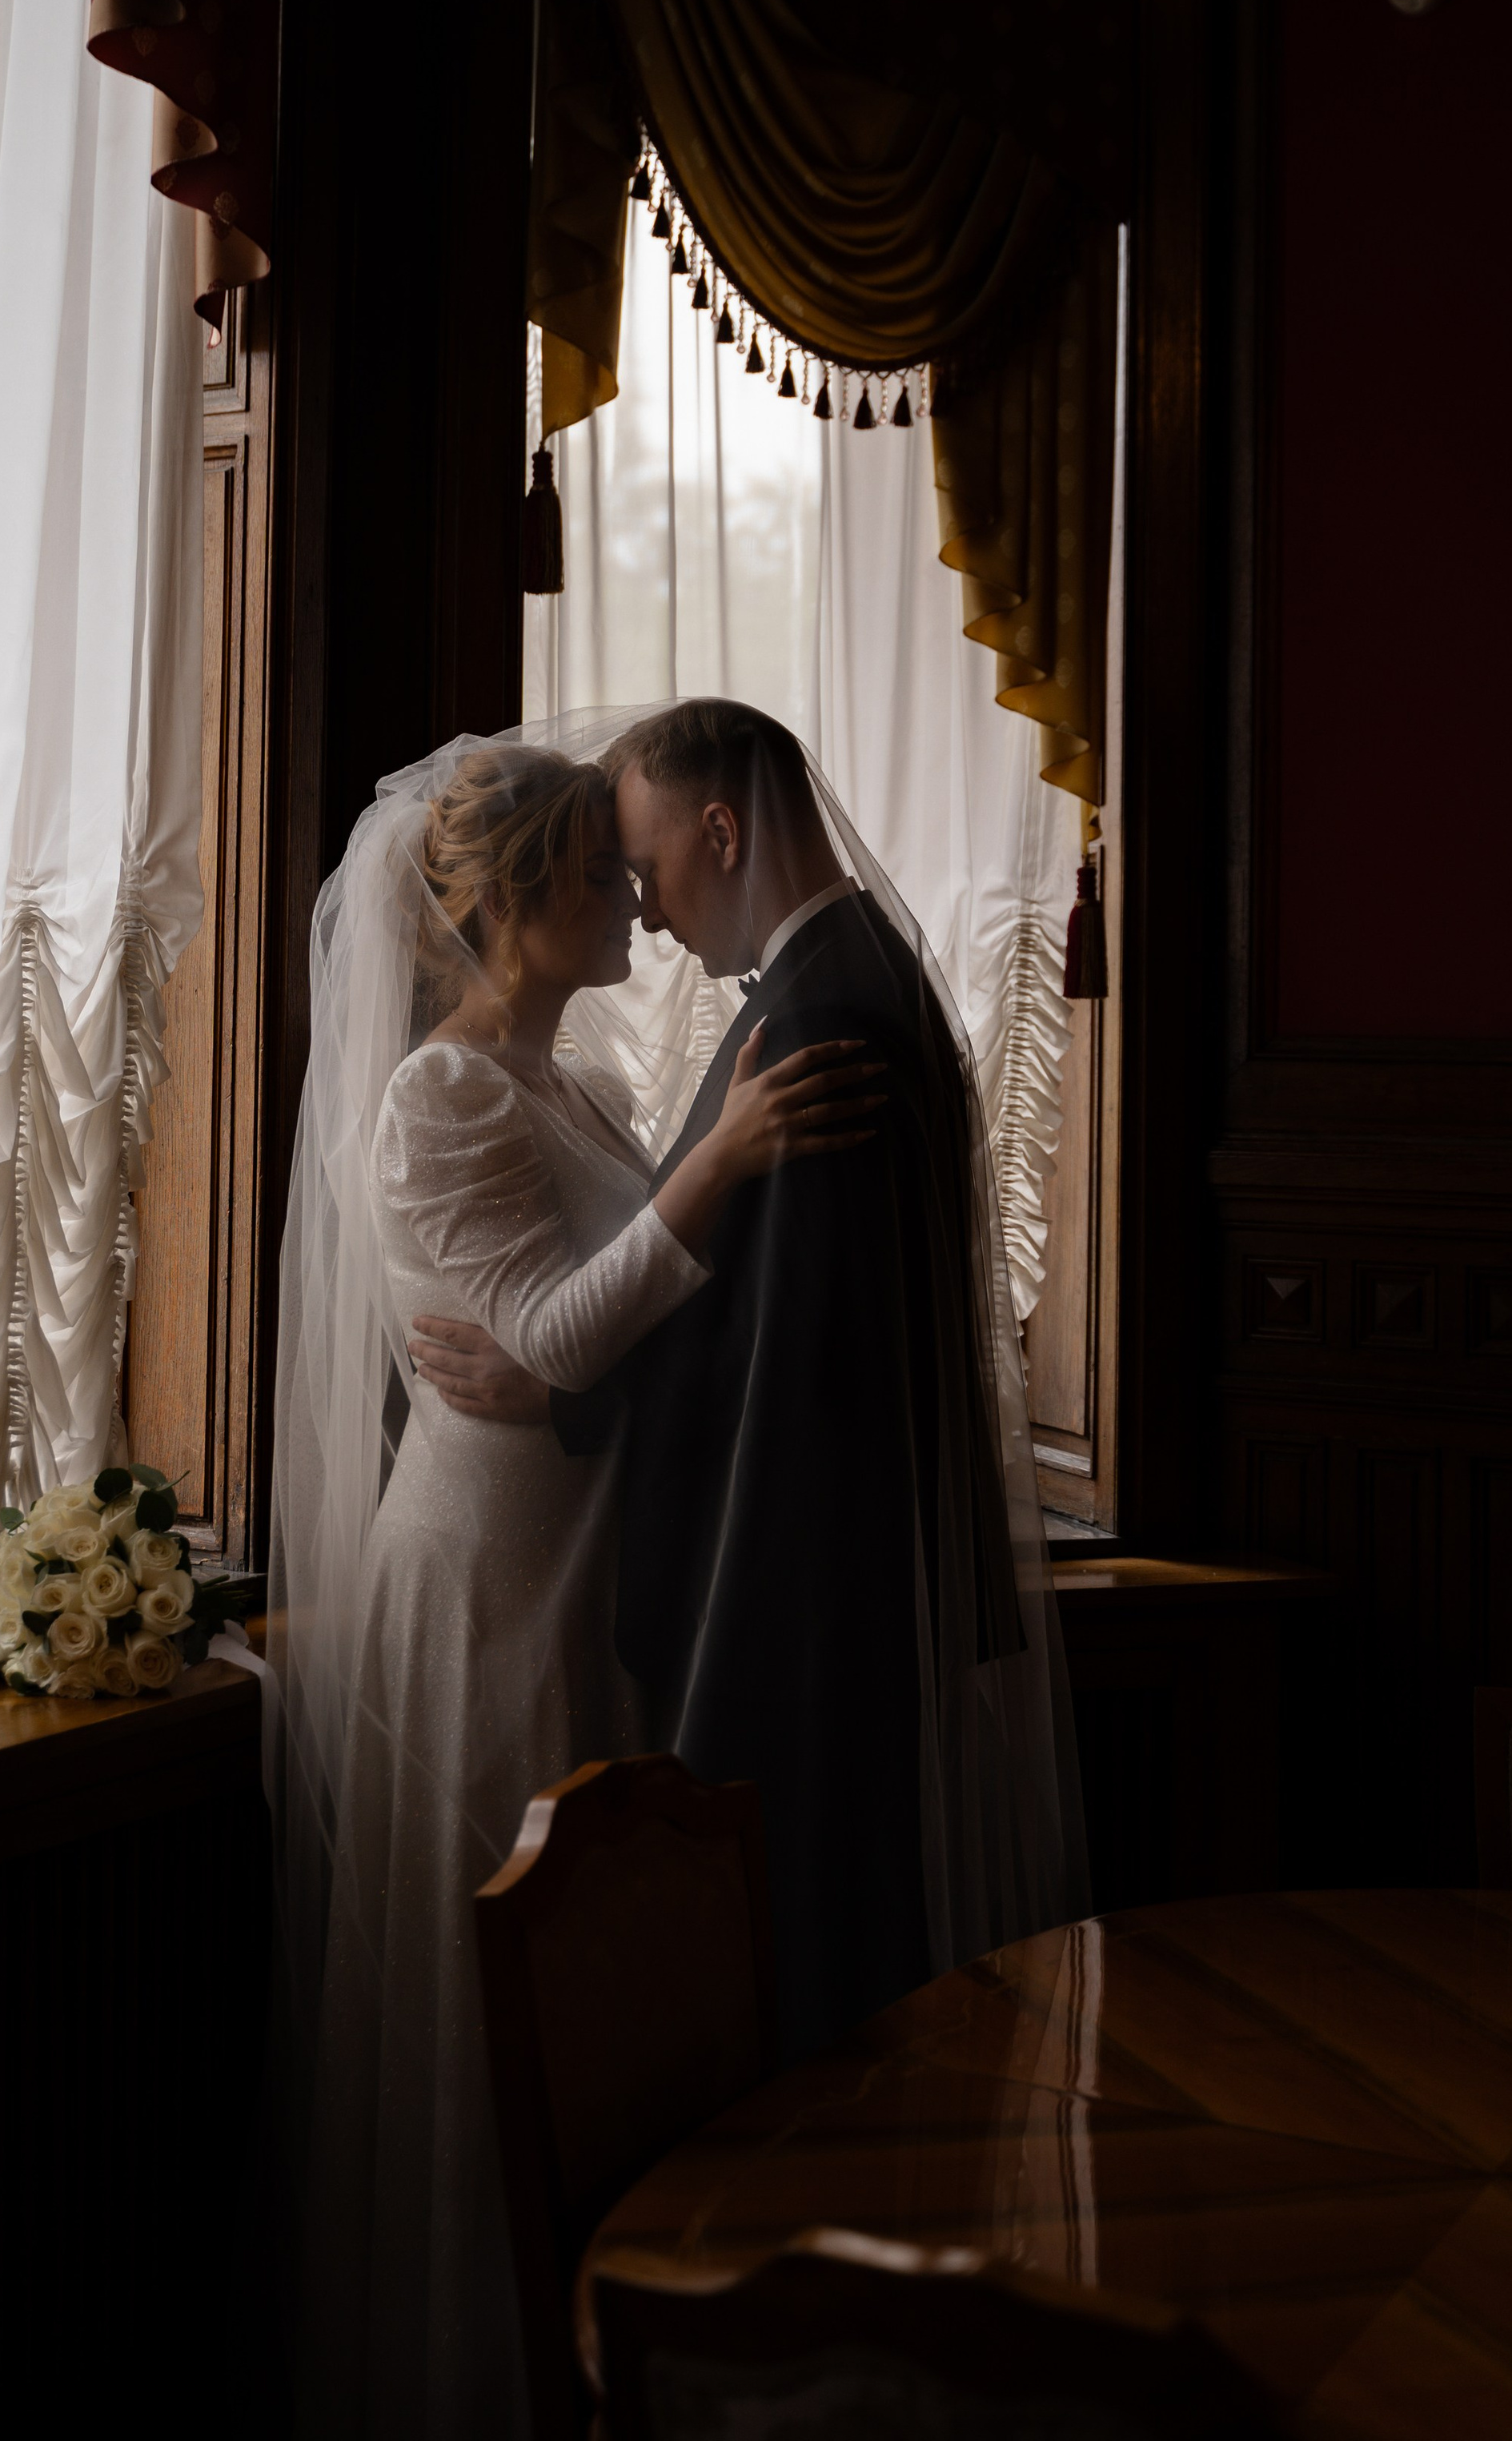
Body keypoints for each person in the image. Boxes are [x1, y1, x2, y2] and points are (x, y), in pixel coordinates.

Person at [267, 736, 880, 2439]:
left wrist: (655, 1235)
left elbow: (595, 1339)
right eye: (598, 874)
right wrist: (723, 1159)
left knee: (605, 1991)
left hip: (589, 1569)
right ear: (517, 899)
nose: (630, 893)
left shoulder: (582, 1090)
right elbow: (546, 1332)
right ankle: (480, 2381)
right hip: (481, 1587)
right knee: (500, 2012)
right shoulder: (439, 1094)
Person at [412, 699, 1089, 2064]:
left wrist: (564, 1393)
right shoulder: (839, 979)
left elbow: (787, 1346)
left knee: (812, 2010)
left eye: (644, 866)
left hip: (793, 1596)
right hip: (787, 1580)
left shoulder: (816, 1016)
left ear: (720, 830)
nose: (645, 910)